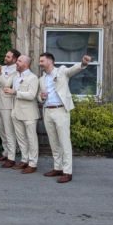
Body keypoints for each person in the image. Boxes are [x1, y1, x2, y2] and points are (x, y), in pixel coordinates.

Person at [38, 52, 91, 183]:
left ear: (49, 62)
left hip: (61, 110)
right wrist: (41, 97)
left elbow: (73, 70)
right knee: (53, 142)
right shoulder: (41, 79)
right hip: (48, 112)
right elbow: (39, 97)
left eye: (41, 61)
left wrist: (83, 63)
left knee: (64, 142)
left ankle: (68, 172)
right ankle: (58, 168)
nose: (40, 64)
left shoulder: (61, 71)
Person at [4, 55, 40, 174]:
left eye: (19, 61)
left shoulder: (33, 78)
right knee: (21, 139)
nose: (16, 63)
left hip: (29, 113)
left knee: (31, 139)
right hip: (16, 112)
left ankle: (33, 163)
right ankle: (24, 160)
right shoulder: (15, 77)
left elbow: (31, 95)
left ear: (26, 64)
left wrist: (15, 92)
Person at [0, 49, 21, 167]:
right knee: (2, 130)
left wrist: (0, 73)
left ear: (14, 59)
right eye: (6, 56)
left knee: (9, 131)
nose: (5, 58)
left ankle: (11, 157)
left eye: (8, 57)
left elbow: (7, 84)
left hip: (8, 104)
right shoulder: (2, 67)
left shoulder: (15, 70)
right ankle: (5, 152)